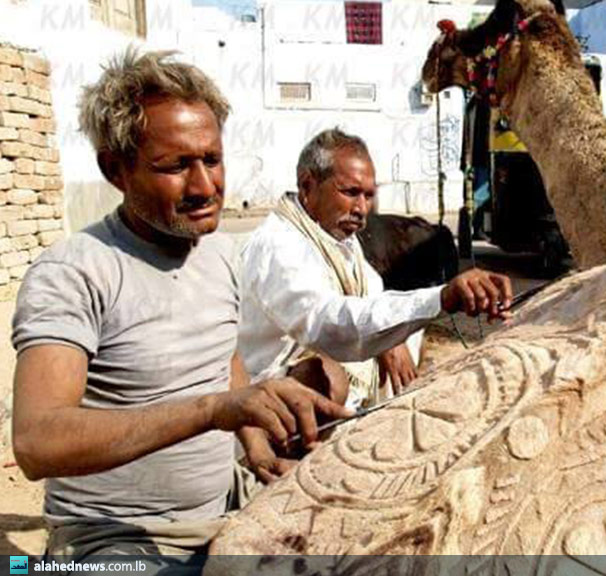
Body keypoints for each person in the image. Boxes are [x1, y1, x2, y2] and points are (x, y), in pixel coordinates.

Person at [10, 50, 351, 560]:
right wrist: (213, 412)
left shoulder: (216, 254)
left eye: (211, 160)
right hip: (113, 542)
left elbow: (223, 361)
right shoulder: (74, 272)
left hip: (224, 509)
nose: (204, 187)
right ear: (115, 170)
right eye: (174, 166)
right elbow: (37, 443)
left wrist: (253, 442)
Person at [239, 128, 513, 411]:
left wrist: (390, 343)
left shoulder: (338, 238)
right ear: (308, 186)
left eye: (368, 196)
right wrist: (441, 298)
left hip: (342, 371)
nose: (361, 208)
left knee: (408, 337)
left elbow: (371, 295)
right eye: (350, 192)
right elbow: (328, 324)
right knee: (326, 376)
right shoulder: (279, 246)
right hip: (269, 395)